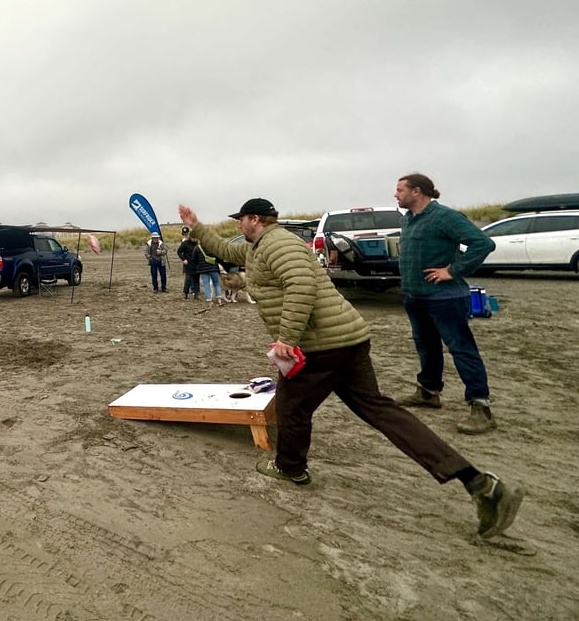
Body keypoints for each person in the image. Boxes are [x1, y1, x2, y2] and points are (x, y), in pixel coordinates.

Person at [177, 197, 522, 539]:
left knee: (292, 407)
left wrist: (287, 339)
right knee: (381, 411)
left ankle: (290, 468)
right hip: (347, 340)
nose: (238, 225)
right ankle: (476, 481)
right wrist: (196, 227)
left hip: (321, 345)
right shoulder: (258, 247)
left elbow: (301, 287)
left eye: (241, 219)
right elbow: (225, 249)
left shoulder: (279, 244)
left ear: (255, 219)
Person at [394, 173, 499, 434]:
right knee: (427, 346)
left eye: (400, 190)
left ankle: (481, 407)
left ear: (417, 191)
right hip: (416, 297)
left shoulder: (444, 217)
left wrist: (452, 271)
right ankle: (429, 392)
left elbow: (483, 243)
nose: (395, 194)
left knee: (461, 349)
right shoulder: (408, 219)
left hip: (445, 298)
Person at [196, 242, 224, 308]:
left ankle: (209, 301)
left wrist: (199, 264)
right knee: (216, 284)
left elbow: (194, 259)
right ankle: (219, 300)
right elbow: (219, 258)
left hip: (203, 269)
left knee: (206, 285)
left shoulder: (197, 248)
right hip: (213, 268)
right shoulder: (213, 247)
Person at [177, 227, 201, 299]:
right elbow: (179, 252)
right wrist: (183, 259)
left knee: (196, 280)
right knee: (188, 279)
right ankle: (185, 293)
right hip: (188, 264)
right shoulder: (185, 243)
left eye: (196, 238)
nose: (195, 240)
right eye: (194, 238)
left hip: (196, 264)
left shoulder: (197, 244)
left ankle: (196, 294)